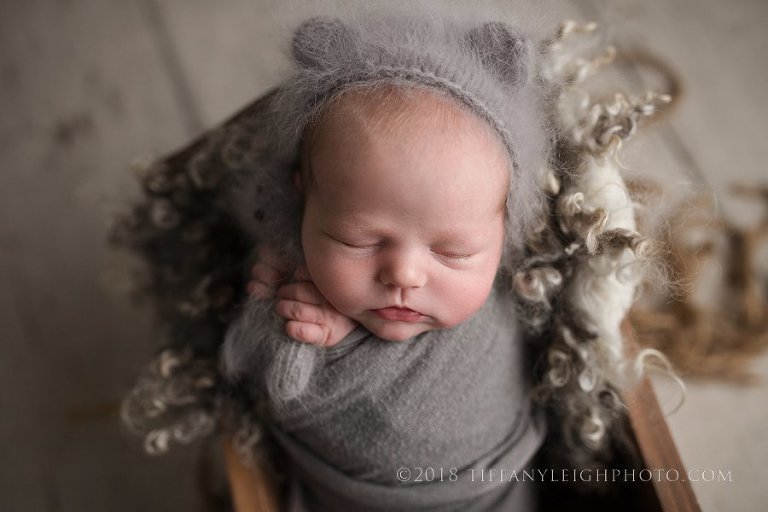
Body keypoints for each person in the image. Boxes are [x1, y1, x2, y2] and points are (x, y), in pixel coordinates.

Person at [220, 9, 551, 511]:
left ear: (505, 230)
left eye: (452, 251)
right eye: (360, 240)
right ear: (302, 198)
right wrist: (298, 336)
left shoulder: (513, 296)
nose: (404, 275)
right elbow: (246, 372)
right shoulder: (288, 278)